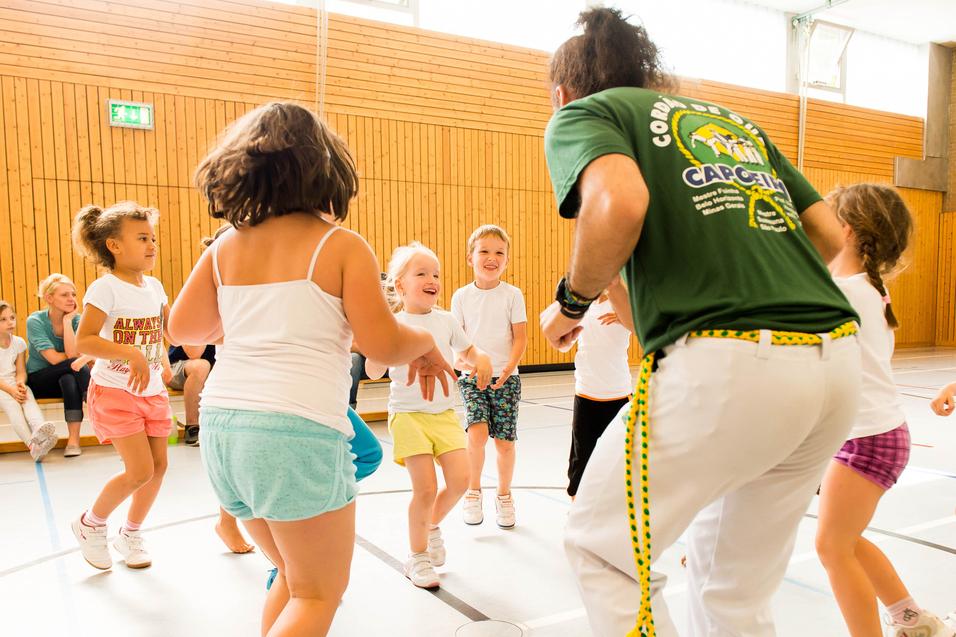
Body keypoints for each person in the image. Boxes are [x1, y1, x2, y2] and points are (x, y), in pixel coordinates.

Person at [539, 8, 861, 636]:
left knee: (604, 550)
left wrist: (569, 302)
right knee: (731, 589)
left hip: (732, 363)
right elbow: (829, 234)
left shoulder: (586, 114)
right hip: (834, 364)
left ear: (562, 93)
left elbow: (620, 203)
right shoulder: (732, 121)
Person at [168, 101, 455, 637]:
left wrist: (249, 319)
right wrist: (423, 342)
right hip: (293, 433)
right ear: (326, 170)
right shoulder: (340, 245)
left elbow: (183, 328)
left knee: (294, 580)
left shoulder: (226, 245)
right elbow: (382, 342)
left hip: (224, 431)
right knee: (318, 593)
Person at [816, 184, 956, 637]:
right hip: (870, 434)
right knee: (845, 541)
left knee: (832, 547)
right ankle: (912, 620)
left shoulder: (847, 292)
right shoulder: (857, 288)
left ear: (846, 230)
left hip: (868, 439)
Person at [367, 242, 492, 589]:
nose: (432, 279)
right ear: (400, 284)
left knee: (460, 481)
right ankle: (417, 556)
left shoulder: (446, 320)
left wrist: (480, 358)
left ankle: (431, 525)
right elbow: (374, 370)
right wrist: (379, 347)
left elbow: (468, 350)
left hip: (443, 414)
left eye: (435, 273)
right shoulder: (393, 322)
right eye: (421, 273)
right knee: (425, 488)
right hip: (408, 415)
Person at [70, 202, 174, 571]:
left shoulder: (155, 287)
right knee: (138, 471)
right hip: (115, 392)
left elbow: (157, 334)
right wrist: (131, 354)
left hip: (151, 393)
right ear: (114, 245)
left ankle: (130, 534)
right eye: (142, 238)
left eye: (152, 238)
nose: (152, 245)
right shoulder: (105, 288)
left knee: (158, 467)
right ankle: (90, 524)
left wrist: (161, 361)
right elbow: (84, 342)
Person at [451, 224, 527, 529]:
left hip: (506, 378)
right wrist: (466, 364)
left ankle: (504, 496)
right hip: (472, 378)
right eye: (484, 251)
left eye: (499, 252)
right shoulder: (461, 297)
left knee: (505, 443)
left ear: (507, 259)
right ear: (470, 258)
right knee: (477, 434)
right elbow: (457, 340)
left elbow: (519, 337)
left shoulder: (512, 295)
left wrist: (508, 368)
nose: (491, 257)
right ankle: (473, 492)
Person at [567, 275, 634, 498]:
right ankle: (576, 508)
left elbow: (642, 329)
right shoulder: (582, 305)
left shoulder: (626, 301)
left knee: (619, 457)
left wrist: (623, 316)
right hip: (586, 392)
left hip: (618, 394)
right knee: (581, 459)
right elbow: (563, 344)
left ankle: (618, 509)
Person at [26, 273, 91, 456]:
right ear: (49, 298)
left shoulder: (76, 320)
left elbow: (72, 356)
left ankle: (73, 442)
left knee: (69, 379)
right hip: (40, 380)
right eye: (64, 295)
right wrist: (77, 358)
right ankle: (92, 399)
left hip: (68, 378)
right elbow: (56, 359)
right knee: (76, 365)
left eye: (73, 294)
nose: (71, 299)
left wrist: (68, 321)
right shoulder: (35, 321)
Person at [0, 300, 57, 461]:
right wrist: (11, 390)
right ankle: (32, 445)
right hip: (1, 387)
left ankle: (40, 430)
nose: (9, 322)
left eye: (12, 317)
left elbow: (21, 371)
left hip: (13, 383)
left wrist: (20, 384)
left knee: (27, 397)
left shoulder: (18, 343)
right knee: (13, 407)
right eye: (3, 319)